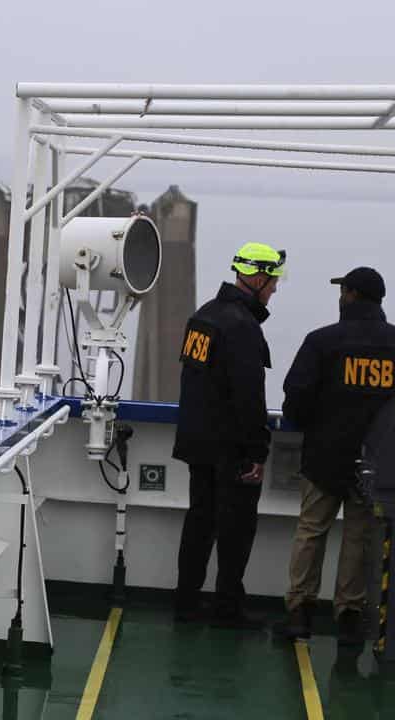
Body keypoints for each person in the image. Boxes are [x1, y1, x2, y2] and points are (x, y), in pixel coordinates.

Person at [281, 267, 395, 644]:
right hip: (375, 461)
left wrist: (309, 425)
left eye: (342, 290)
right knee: (359, 536)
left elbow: (296, 393)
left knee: (311, 531)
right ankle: (349, 616)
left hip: (323, 456)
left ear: (350, 295)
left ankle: (299, 613)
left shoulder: (322, 341)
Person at [172, 242, 286, 627]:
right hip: (229, 447)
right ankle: (227, 610)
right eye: (272, 281)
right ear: (256, 278)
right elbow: (248, 396)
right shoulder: (241, 327)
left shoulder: (204, 316)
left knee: (200, 523)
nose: (273, 290)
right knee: (235, 530)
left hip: (197, 442)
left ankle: (186, 604)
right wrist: (257, 452)